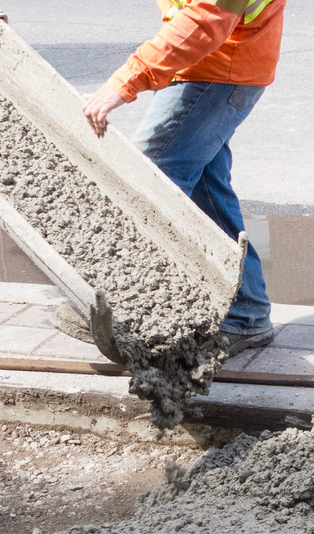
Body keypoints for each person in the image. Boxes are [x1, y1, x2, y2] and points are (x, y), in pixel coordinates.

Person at [81, 0, 284, 355]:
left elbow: (207, 19)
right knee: (205, 192)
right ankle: (246, 311)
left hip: (216, 70)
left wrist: (127, 79)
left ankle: (128, 309)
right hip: (206, 66)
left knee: (147, 183)